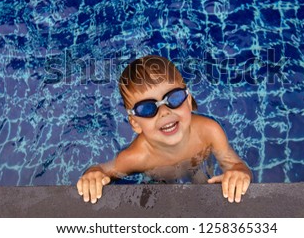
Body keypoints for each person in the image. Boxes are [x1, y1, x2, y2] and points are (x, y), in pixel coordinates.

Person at [76, 55, 252, 204]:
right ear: (135, 123)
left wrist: (238, 173)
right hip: (160, 177)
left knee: (207, 190)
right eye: (147, 108)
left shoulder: (209, 131)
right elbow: (102, 171)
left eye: (174, 98)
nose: (164, 112)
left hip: (198, 165)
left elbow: (235, 165)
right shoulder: (137, 157)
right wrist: (93, 175)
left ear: (188, 101)